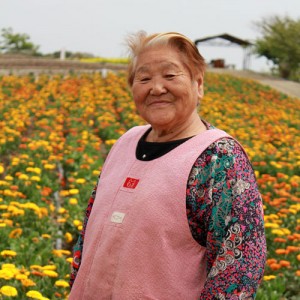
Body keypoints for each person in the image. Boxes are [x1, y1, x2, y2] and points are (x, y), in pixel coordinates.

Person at [69, 31, 266, 299]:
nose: (157, 88)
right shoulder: (126, 142)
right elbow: (89, 232)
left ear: (199, 84)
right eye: (144, 78)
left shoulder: (218, 159)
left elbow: (237, 272)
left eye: (170, 76)